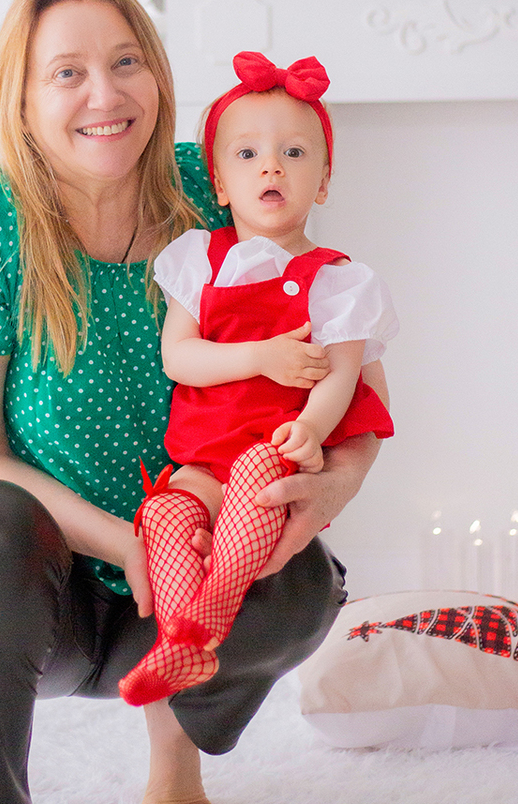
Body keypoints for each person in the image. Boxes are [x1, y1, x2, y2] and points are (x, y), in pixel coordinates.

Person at [0, 0, 387, 804]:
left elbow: (349, 371)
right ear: (25, 98)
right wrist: (127, 544)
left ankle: (179, 749)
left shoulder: (215, 186)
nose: (104, 94)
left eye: (126, 62)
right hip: (26, 589)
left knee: (303, 579)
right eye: (68, 73)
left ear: (160, 78)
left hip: (191, 568)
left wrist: (334, 488)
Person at [118, 52, 397, 706]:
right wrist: (259, 357)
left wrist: (311, 428)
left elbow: (343, 374)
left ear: (324, 182)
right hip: (199, 463)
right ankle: (180, 643)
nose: (271, 165)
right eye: (247, 155)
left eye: (295, 153)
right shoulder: (198, 261)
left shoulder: (339, 282)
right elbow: (179, 358)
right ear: (218, 183)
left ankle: (210, 612)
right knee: (164, 514)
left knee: (257, 478)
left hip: (269, 453)